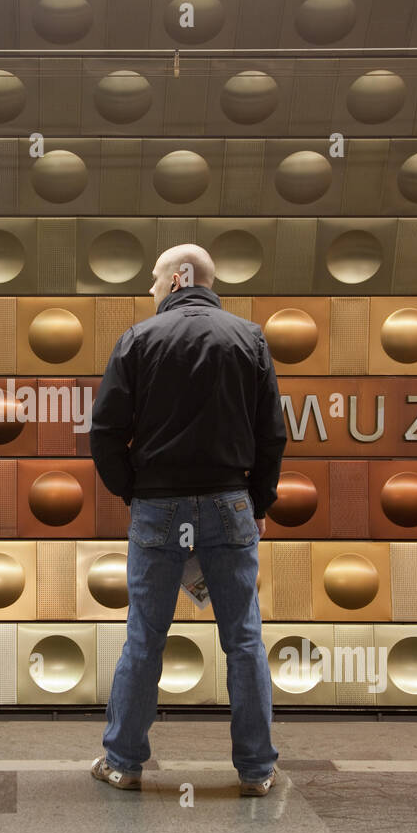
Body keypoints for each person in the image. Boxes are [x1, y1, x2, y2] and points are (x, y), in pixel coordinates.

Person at [87, 243, 288, 797]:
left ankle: (124, 762)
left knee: (144, 639)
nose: (150, 289)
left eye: (154, 278)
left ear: (178, 278)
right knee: (244, 639)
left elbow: (103, 433)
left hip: (159, 506)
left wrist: (138, 492)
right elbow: (273, 434)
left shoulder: (138, 340)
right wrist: (259, 502)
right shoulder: (249, 338)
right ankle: (255, 771)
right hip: (229, 503)